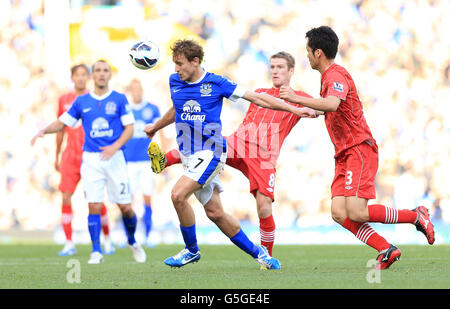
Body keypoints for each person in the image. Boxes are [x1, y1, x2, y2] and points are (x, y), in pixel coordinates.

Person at [144, 39, 316, 269]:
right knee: (216, 213)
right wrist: (155, 127)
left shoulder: (217, 83)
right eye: (174, 64)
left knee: (177, 195)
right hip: (189, 155)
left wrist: (294, 108)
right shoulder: (175, 81)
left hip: (211, 153)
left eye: (179, 63)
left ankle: (191, 250)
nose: (176, 69)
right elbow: (177, 108)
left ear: (195, 62)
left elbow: (258, 98)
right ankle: (261, 254)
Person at [278, 26, 435, 269]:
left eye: (308, 51)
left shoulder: (335, 75)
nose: (306, 56)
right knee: (339, 212)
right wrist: (310, 110)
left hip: (358, 149)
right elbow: (332, 107)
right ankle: (386, 248)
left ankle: (416, 215)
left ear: (318, 52)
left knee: (357, 211)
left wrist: (296, 97)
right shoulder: (328, 78)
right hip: (343, 153)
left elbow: (332, 103)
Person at [31, 60, 146, 264]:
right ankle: (96, 251)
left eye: (105, 71)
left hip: (115, 158)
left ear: (110, 76)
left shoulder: (119, 99)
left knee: (125, 207)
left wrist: (114, 146)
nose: (101, 74)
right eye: (98, 71)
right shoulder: (82, 102)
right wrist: (43, 130)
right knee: (93, 204)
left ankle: (131, 240)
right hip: (91, 159)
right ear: (93, 76)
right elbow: (62, 122)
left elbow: (129, 128)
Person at [55, 63, 114, 256]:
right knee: (65, 196)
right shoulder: (64, 99)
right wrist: (56, 155)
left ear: (88, 77)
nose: (80, 78)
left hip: (90, 155)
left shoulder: (94, 98)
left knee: (95, 199)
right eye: (77, 75)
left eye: (83, 75)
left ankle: (107, 239)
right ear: (72, 78)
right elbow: (61, 129)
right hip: (70, 156)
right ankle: (69, 242)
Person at [123, 78, 162, 247]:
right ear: (131, 91)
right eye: (134, 89)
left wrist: (163, 155)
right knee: (127, 200)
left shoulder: (152, 109)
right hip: (128, 161)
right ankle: (130, 237)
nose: (136, 92)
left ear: (142, 90)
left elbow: (162, 131)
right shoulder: (125, 109)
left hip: (146, 161)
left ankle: (148, 235)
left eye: (139, 89)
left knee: (147, 197)